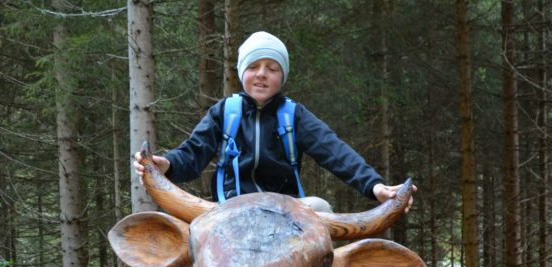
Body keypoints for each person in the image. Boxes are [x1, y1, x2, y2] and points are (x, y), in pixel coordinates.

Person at [134, 31, 415, 210]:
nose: (261, 74)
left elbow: (335, 152)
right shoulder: (225, 111)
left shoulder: (294, 116)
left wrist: (375, 186)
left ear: (283, 76)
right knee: (196, 237)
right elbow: (193, 153)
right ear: (242, 72)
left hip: (287, 207)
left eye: (272, 68)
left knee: (321, 208)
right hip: (229, 208)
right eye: (253, 66)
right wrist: (167, 164)